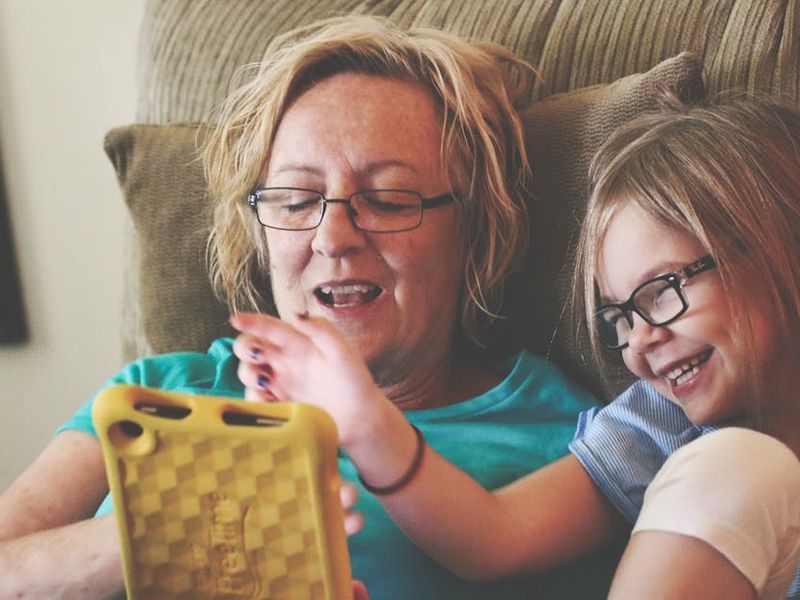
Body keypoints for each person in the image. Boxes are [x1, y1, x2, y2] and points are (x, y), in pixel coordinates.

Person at [0, 16, 610, 599]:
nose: (332, 237)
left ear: (474, 230)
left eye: (388, 199)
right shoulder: (162, 390)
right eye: (294, 200)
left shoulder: (569, 441)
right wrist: (182, 523)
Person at [235, 95, 800, 599]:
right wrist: (367, 423)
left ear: (782, 247)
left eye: (661, 291)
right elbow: (496, 536)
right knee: (740, 462)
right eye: (620, 319)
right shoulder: (657, 427)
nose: (640, 342)